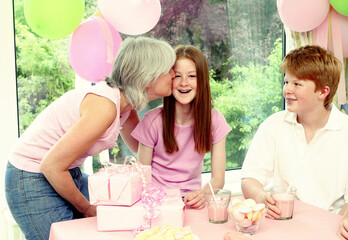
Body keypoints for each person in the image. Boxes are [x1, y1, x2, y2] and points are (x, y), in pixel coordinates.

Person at [5, 36, 176, 240]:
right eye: (170, 69)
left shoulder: (126, 106)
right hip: (32, 176)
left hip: (66, 172)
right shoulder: (104, 107)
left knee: (120, 213)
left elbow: (144, 149)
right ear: (149, 76)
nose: (175, 74)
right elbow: (50, 166)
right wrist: (86, 208)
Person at [240, 45, 348, 239]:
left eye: (297, 84)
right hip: (281, 229)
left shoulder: (345, 131)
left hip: (329, 231)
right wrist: (259, 197)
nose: (287, 90)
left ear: (323, 92)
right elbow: (250, 178)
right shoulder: (273, 125)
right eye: (286, 81)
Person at [131, 45, 231, 209]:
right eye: (177, 76)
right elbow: (142, 177)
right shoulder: (152, 121)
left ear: (203, 81)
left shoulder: (216, 120)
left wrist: (203, 194)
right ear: (169, 79)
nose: (184, 83)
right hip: (157, 202)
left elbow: (218, 179)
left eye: (192, 76)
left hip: (192, 201)